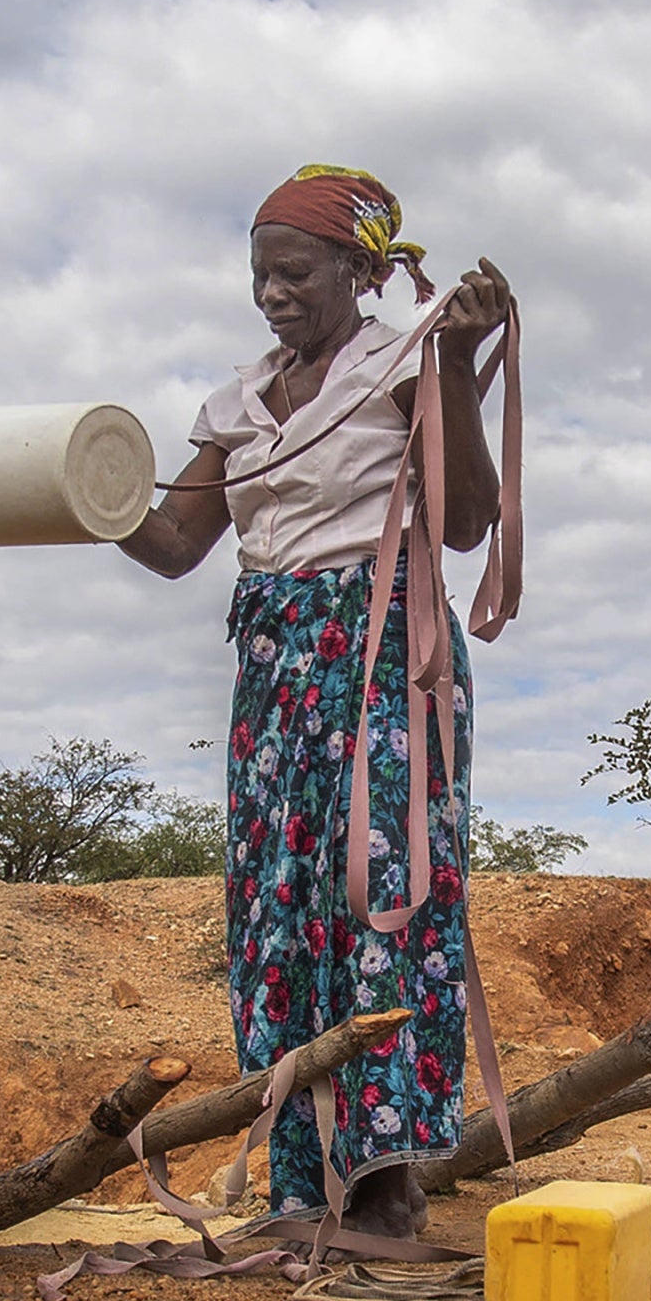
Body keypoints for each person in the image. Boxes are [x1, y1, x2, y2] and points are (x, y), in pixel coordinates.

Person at [118, 165, 519, 1221]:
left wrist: (460, 369)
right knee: (278, 909)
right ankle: (300, 1179)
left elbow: (468, 520)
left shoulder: (401, 365)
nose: (273, 294)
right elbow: (169, 545)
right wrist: (76, 480)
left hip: (382, 649)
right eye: (260, 276)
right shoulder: (236, 405)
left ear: (358, 269)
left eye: (295, 272)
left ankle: (385, 1185)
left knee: (378, 894)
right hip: (275, 666)